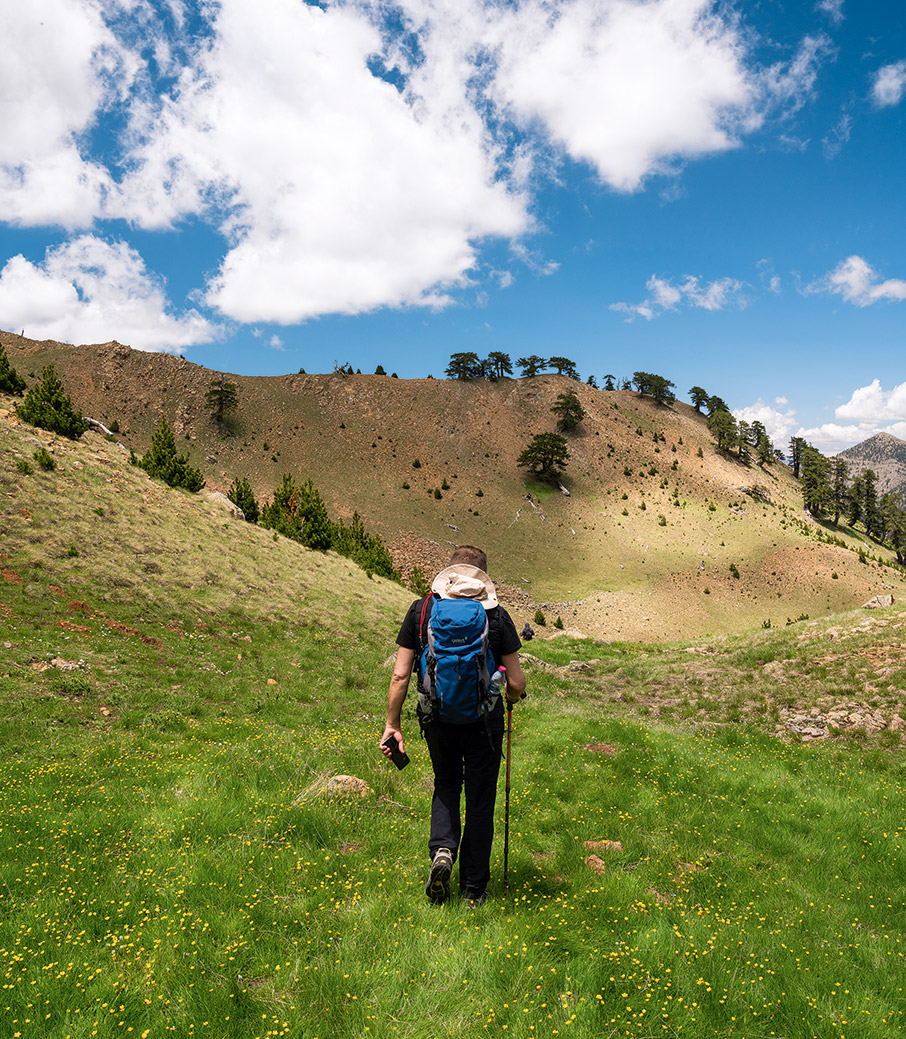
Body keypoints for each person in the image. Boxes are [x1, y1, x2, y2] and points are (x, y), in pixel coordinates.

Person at [380, 546, 526, 906]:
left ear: (448, 574)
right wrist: (509, 697)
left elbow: (400, 674)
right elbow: (518, 683)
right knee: (480, 799)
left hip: (437, 718)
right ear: (484, 580)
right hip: (484, 723)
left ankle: (443, 851)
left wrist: (392, 724)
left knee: (446, 783)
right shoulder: (498, 617)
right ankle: (474, 890)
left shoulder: (422, 610)